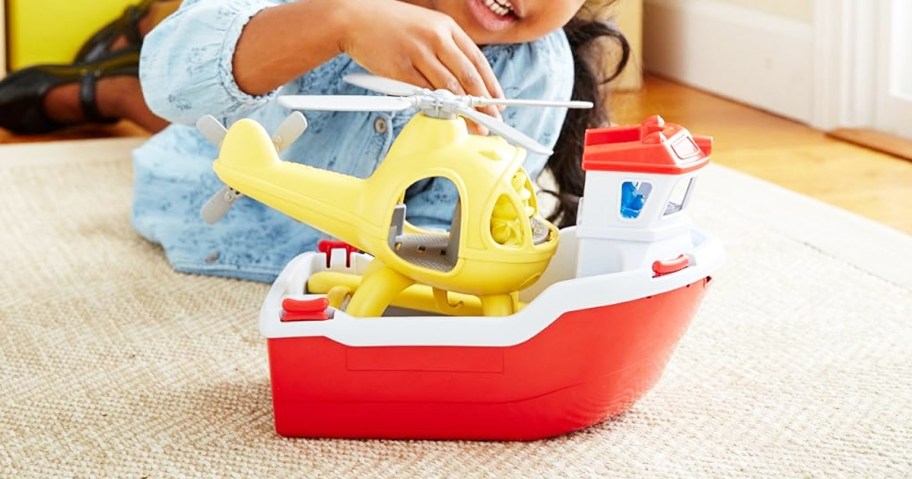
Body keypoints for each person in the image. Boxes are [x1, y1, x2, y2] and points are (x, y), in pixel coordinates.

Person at [1, 0, 629, 282]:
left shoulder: (536, 71)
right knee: (192, 115)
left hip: (348, 252)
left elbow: (458, 229)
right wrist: (341, 21)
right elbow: (175, 83)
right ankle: (100, 89)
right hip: (213, 178)